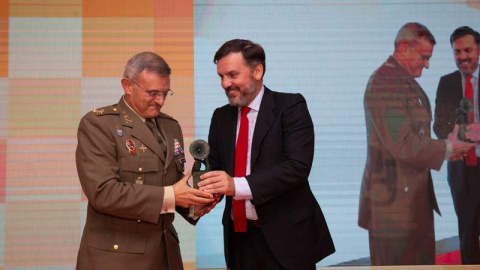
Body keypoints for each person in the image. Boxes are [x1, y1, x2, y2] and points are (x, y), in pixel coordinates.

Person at [197, 39, 335, 270]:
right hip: (239, 240)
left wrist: (236, 186)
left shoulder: (290, 106)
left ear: (257, 71)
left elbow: (297, 167)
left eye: (232, 75)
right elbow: (217, 173)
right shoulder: (220, 117)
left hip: (287, 239)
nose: (225, 84)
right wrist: (198, 200)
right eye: (220, 76)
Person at [75, 52, 215, 270]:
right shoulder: (99, 125)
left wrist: (193, 205)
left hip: (165, 255)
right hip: (118, 259)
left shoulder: (171, 127)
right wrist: (172, 195)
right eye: (152, 93)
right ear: (127, 85)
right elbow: (102, 192)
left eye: (165, 93)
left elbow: (172, 183)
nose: (160, 100)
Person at [358, 22, 474, 265]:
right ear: (404, 48)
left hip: (410, 204)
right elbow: (403, 143)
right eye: (424, 57)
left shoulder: (401, 79)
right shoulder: (385, 82)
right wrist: (448, 149)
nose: (427, 64)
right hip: (393, 211)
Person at [433, 26, 480, 265]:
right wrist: (454, 133)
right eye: (457, 51)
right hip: (463, 171)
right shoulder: (447, 83)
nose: (463, 57)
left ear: (479, 50)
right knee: (467, 233)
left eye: (468, 50)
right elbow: (438, 126)